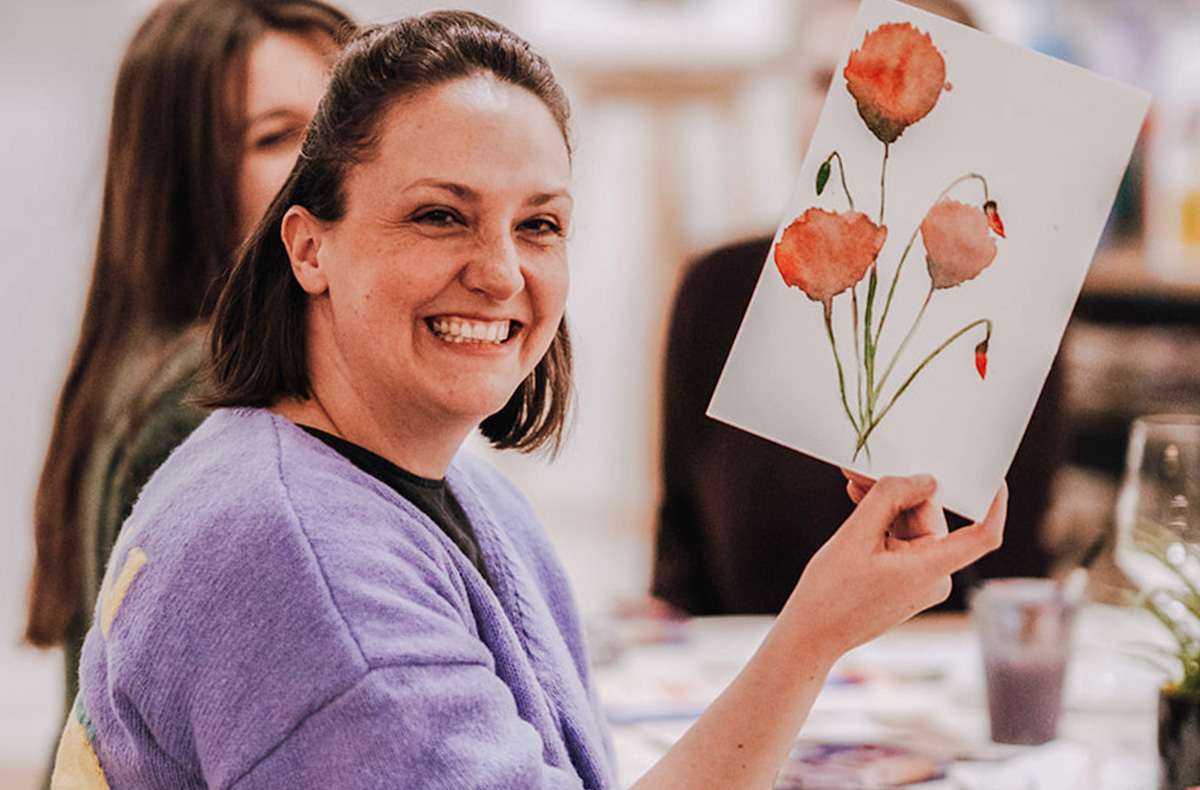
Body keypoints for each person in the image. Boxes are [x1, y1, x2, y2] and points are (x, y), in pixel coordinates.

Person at [51, 11, 1005, 789]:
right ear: (309, 247)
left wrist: (817, 631)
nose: (503, 272)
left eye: (540, 224)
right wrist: (812, 636)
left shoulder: (435, 486)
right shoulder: (306, 568)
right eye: (440, 215)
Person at [651, 0, 1061, 616]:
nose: (845, 110)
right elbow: (681, 574)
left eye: (885, 78)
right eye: (822, 80)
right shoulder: (719, 290)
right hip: (746, 686)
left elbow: (1011, 580)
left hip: (934, 689)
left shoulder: (1004, 309)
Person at [25, 0, 354, 756]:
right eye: (279, 137)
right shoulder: (214, 390)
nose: (331, 162)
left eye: (345, 123)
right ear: (185, 182)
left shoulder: (145, 366)